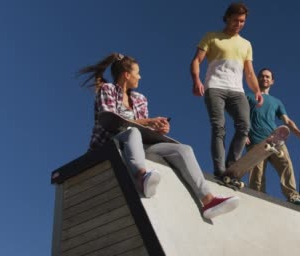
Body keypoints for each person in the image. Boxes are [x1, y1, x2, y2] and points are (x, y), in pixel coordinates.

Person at [79, 53, 239, 219]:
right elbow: (111, 119)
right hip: (109, 142)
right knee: (132, 132)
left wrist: (158, 130)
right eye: (137, 73)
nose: (140, 77)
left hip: (137, 144)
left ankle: (208, 199)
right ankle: (141, 176)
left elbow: (142, 127)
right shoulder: (108, 90)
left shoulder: (140, 99)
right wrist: (148, 121)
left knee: (183, 149)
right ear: (127, 75)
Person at [190, 2, 263, 178]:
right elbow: (196, 61)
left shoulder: (246, 44)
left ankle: (231, 165)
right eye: (236, 20)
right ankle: (219, 168)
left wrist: (257, 91)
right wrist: (196, 80)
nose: (238, 24)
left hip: (237, 90)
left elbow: (250, 72)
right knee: (219, 127)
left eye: (242, 21)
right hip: (215, 87)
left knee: (244, 125)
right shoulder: (212, 36)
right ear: (228, 17)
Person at [246, 68, 300, 209]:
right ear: (257, 79)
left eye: (268, 77)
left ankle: (293, 197)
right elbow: (240, 115)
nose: (265, 79)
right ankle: (257, 200)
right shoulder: (249, 97)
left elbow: (287, 121)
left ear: (272, 81)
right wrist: (243, 133)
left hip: (274, 138)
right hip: (256, 141)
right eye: (262, 76)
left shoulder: (276, 102)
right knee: (257, 177)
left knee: (286, 165)